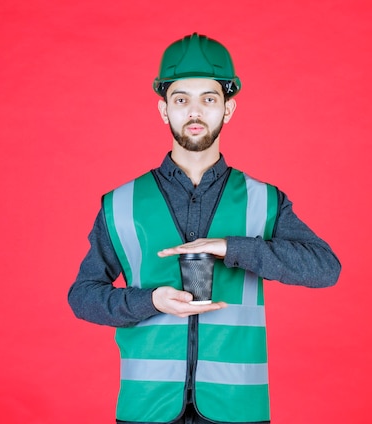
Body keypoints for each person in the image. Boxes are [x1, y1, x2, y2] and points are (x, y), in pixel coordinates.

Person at [68, 33, 341, 424]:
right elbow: (82, 296)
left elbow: (325, 269)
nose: (194, 112)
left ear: (228, 109)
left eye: (208, 99)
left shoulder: (264, 200)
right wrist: (151, 303)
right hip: (146, 407)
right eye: (181, 100)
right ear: (164, 110)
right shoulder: (121, 203)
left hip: (237, 407)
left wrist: (234, 248)